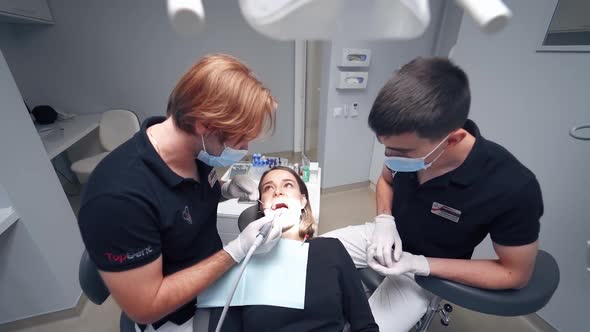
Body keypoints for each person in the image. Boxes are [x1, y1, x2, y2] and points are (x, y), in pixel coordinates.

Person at [323, 57, 543, 331]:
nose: (389, 157)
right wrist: (384, 220)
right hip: (385, 237)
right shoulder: (405, 148)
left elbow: (515, 273)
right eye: (384, 147)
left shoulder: (512, 186)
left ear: (452, 140)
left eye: (401, 152)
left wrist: (420, 264)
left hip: (427, 271)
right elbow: (386, 181)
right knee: (310, 254)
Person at [77, 54, 285, 332]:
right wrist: (236, 251)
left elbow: (184, 202)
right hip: (176, 315)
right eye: (240, 137)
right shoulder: (118, 198)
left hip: (212, 279)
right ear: (204, 125)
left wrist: (224, 189)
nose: (245, 147)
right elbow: (145, 307)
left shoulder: (197, 151)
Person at [209, 166, 379, 332]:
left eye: (288, 185)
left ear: (303, 200)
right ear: (261, 206)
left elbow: (364, 324)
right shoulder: (239, 266)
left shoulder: (331, 249)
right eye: (268, 188)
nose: (278, 192)